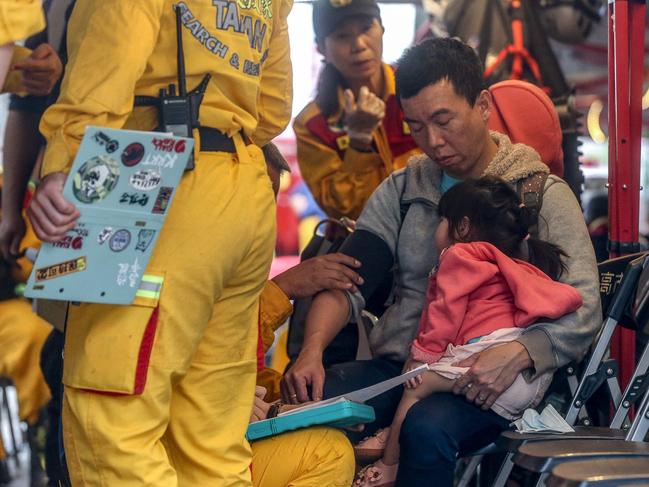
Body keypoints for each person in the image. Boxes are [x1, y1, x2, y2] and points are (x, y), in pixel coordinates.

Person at [282, 37, 601, 485]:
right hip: (400, 368)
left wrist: (522, 351)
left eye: (443, 120)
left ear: (483, 104)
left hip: (482, 379)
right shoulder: (403, 190)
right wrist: (312, 350)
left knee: (424, 428)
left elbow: (585, 307)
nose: (432, 142)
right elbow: (346, 280)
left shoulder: (540, 195)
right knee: (310, 404)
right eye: (416, 126)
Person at [27, 1, 292, 485]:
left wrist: (62, 164)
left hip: (150, 179)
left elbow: (102, 76)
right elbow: (272, 108)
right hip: (243, 191)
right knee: (212, 440)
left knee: (112, 421)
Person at [353, 176, 583, 486]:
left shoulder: (459, 256)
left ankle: (389, 459)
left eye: (442, 220)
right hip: (526, 385)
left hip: (487, 362)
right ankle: (390, 441)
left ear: (460, 227)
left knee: (415, 387)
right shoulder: (514, 264)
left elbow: (444, 315)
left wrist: (421, 358)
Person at [293, 0, 420, 220]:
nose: (359, 44)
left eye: (366, 29)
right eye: (342, 36)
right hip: (361, 240)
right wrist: (359, 142)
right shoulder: (314, 124)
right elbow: (342, 208)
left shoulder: (417, 87)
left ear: (382, 28)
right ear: (321, 48)